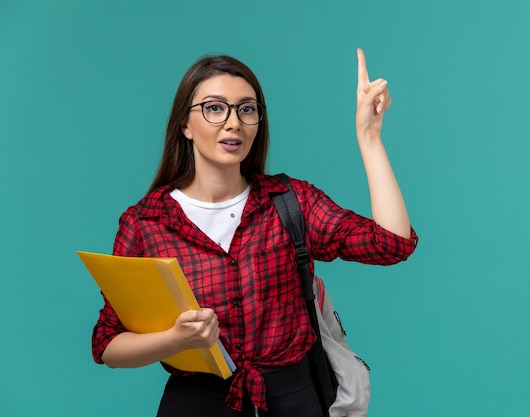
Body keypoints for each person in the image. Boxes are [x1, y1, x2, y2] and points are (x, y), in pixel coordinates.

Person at [92, 48, 417, 417]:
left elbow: (391, 244)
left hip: (295, 400)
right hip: (196, 403)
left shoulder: (290, 202)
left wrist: (370, 138)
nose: (233, 123)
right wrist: (175, 340)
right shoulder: (146, 223)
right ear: (185, 124)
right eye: (215, 108)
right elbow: (108, 344)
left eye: (247, 109)